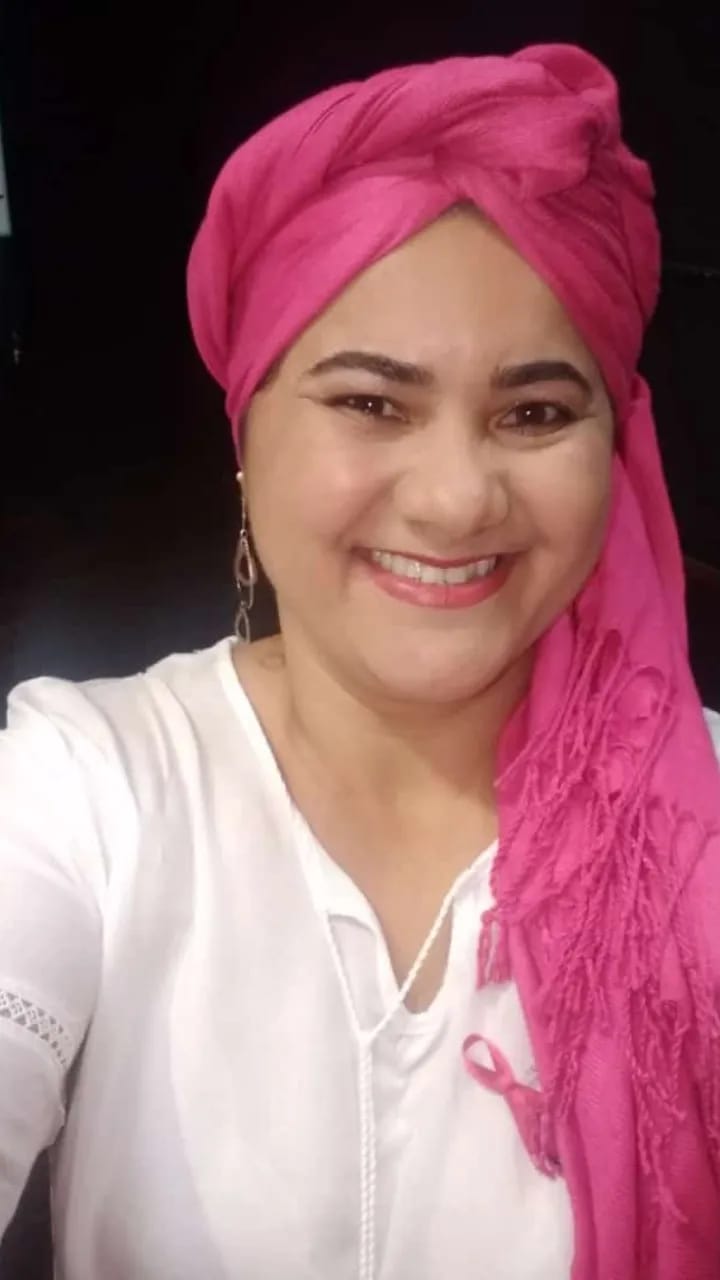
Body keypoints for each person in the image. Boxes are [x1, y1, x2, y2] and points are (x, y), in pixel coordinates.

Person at [1, 42, 719, 1280]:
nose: (455, 497)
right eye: (372, 403)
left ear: (614, 446)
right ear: (247, 433)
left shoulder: (697, 821)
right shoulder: (87, 787)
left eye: (535, 411)